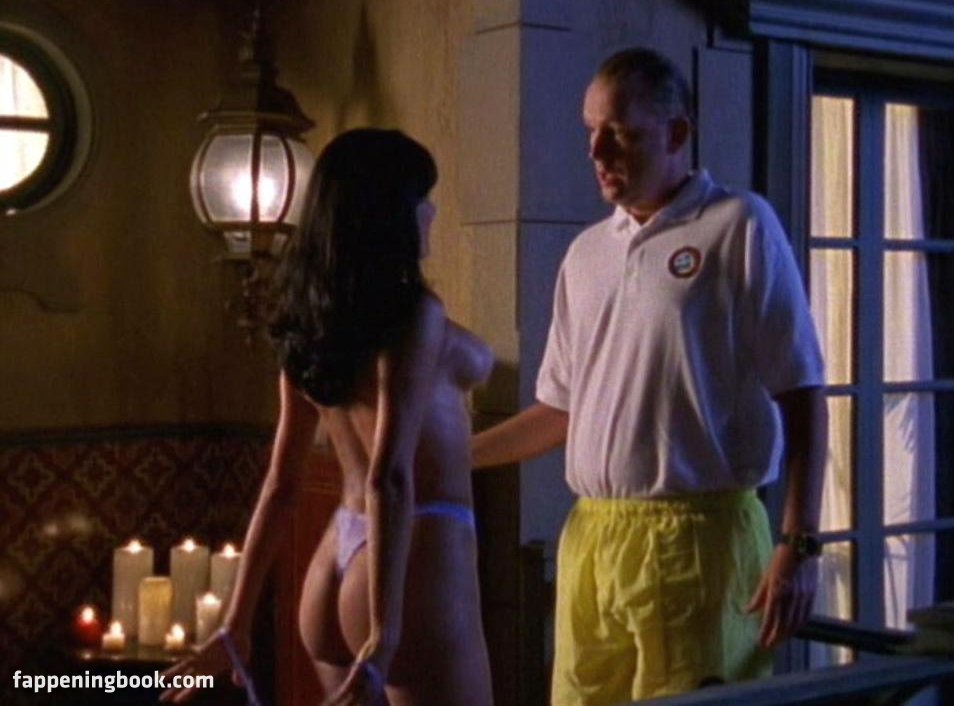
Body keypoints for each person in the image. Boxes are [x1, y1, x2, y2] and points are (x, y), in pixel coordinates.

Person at [472, 47, 828, 704]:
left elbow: (801, 389)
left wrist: (799, 542)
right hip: (594, 540)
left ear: (677, 133)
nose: (597, 151)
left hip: (701, 541)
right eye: (591, 131)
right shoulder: (585, 255)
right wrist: (451, 456)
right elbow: (562, 409)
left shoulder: (738, 224)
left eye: (621, 133)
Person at [161, 128, 494, 706]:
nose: (432, 213)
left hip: (334, 562)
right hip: (413, 559)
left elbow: (281, 485)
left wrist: (237, 622)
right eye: (423, 199)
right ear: (390, 216)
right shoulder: (413, 313)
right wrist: (382, 638)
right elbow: (389, 476)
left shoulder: (307, 316)